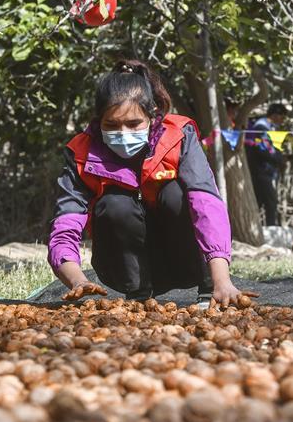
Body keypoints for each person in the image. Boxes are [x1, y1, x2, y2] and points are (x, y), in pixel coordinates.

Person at [47, 59, 255, 307]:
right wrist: (77, 280)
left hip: (184, 260)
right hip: (123, 268)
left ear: (152, 115)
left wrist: (222, 281)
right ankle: (138, 296)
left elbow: (206, 203)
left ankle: (209, 290)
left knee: (175, 193)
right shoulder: (81, 152)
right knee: (114, 204)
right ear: (97, 120)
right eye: (111, 125)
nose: (123, 133)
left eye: (133, 124)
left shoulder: (179, 135)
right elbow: (65, 225)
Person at [245, 103, 288, 226]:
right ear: (275, 115)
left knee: (260, 201)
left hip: (266, 170)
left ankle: (257, 228)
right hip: (261, 170)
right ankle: (270, 229)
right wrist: (278, 159)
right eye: (282, 116)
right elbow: (263, 148)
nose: (283, 120)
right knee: (271, 202)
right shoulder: (262, 126)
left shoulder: (269, 127)